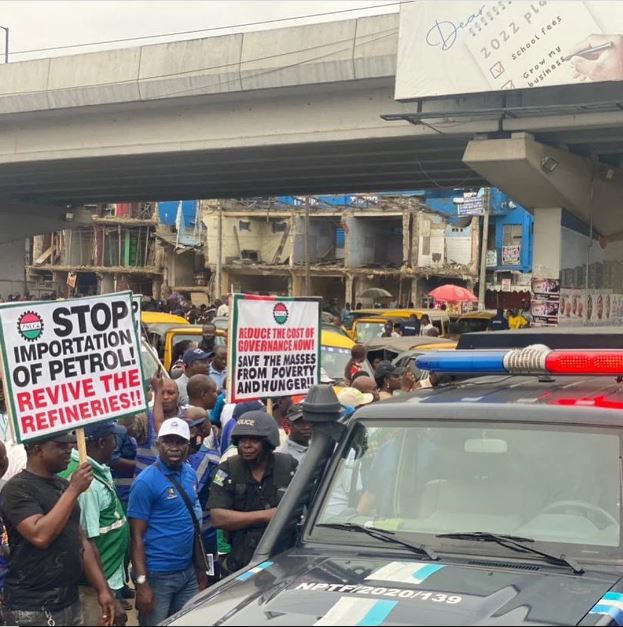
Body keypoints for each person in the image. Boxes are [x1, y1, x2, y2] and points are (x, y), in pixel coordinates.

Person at [1, 432, 117, 627]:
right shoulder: (16, 490)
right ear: (38, 448)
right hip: (32, 609)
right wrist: (73, 490)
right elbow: (40, 535)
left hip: (69, 601)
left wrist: (102, 589)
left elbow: (81, 541)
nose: (69, 450)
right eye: (61, 446)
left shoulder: (62, 485)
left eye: (71, 444)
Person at [128, 418, 203, 626]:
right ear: (158, 444)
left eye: (180, 442)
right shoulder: (145, 482)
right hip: (157, 576)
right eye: (168, 442)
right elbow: (136, 537)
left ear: (188, 446)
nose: (174, 448)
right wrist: (141, 583)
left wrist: (199, 569)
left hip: (187, 572)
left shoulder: (189, 473)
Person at [208, 411, 298, 575]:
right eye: (242, 440)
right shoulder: (228, 469)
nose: (247, 445)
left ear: (268, 443)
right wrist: (267, 515)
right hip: (241, 563)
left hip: (283, 559)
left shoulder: (287, 466)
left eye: (254, 440)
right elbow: (218, 517)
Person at [59, 421, 130, 626]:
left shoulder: (92, 470)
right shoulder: (86, 482)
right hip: (95, 588)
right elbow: (86, 543)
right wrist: (106, 592)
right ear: (101, 442)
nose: (116, 444)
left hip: (104, 580)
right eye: (112, 439)